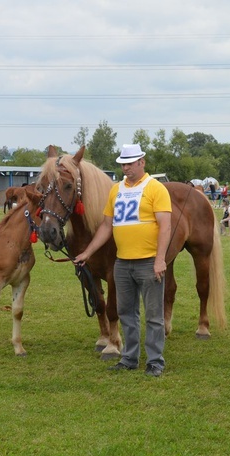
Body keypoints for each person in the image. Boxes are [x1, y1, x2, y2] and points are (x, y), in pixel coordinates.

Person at [73, 144, 172, 377]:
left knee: (154, 316)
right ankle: (129, 358)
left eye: (130, 163)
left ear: (142, 162)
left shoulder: (156, 189)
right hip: (123, 262)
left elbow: (165, 226)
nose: (126, 168)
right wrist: (87, 252)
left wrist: (160, 259)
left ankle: (155, 361)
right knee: (127, 312)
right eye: (123, 164)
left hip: (148, 262)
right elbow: (107, 225)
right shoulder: (116, 190)